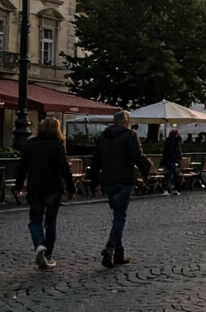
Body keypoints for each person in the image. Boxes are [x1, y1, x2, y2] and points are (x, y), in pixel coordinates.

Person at [88, 109, 152, 268]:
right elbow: (137, 156)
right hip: (124, 180)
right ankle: (110, 247)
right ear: (126, 122)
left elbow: (96, 160)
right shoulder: (130, 135)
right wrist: (147, 170)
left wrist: (94, 182)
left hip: (108, 181)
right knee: (119, 217)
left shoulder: (103, 137)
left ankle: (119, 254)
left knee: (117, 216)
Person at [16, 117, 76, 269]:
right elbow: (64, 168)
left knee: (35, 220)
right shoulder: (57, 145)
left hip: (35, 187)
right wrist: (71, 188)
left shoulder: (31, 143)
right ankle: (48, 254)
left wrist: (18, 185)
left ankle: (39, 245)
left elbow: (22, 166)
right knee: (50, 222)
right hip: (53, 187)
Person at [160, 129, 183, 196]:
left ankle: (170, 188)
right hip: (171, 161)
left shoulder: (170, 141)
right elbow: (174, 152)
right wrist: (178, 158)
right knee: (173, 174)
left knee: (172, 174)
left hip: (169, 161)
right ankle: (169, 188)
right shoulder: (174, 142)